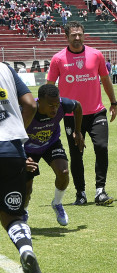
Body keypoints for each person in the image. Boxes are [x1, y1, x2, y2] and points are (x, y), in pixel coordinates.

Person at [47, 22, 117, 206]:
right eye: (73, 35)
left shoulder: (96, 55)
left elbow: (105, 79)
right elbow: (49, 86)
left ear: (84, 35)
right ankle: (81, 193)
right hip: (71, 116)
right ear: (66, 37)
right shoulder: (58, 59)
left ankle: (100, 191)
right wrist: (49, 109)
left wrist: (113, 102)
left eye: (80, 34)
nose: (77, 38)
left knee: (101, 147)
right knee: (76, 154)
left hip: (96, 112)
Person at [0, 61, 43, 273]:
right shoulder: (5, 68)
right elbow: (30, 104)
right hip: (12, 150)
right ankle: (25, 248)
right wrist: (16, 133)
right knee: (12, 215)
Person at [24, 84, 84, 227]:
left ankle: (57, 203)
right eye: (51, 105)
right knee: (26, 187)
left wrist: (78, 131)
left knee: (63, 172)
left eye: (57, 105)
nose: (55, 109)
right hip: (27, 148)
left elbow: (78, 107)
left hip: (50, 144)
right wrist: (21, 157)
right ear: (39, 102)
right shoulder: (27, 110)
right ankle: (23, 212)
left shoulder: (63, 105)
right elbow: (12, 133)